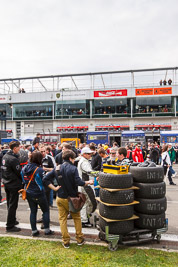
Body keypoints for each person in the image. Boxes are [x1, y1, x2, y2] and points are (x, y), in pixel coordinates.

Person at [44, 150, 93, 248]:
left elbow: (45, 179)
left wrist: (54, 188)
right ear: (71, 158)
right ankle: (79, 239)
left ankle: (66, 241)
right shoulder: (73, 168)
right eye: (74, 159)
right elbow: (78, 182)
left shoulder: (57, 168)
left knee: (62, 219)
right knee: (77, 218)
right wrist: (88, 182)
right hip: (72, 198)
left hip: (60, 197)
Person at [21, 151, 58, 236]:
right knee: (45, 210)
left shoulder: (24, 168)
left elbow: (23, 180)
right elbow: (44, 181)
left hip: (28, 192)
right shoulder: (39, 170)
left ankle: (34, 231)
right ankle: (47, 230)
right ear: (39, 159)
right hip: (39, 193)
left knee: (33, 211)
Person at [2, 141, 22, 232]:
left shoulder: (5, 156)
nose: (20, 149)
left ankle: (12, 220)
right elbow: (19, 172)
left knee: (10, 204)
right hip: (13, 184)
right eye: (19, 147)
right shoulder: (13, 159)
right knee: (13, 204)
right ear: (15, 148)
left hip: (7, 183)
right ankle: (10, 225)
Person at [78, 147, 98, 227]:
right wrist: (100, 173)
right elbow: (90, 172)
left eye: (91, 153)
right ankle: (85, 219)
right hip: (86, 186)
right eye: (89, 154)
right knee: (91, 203)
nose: (91, 155)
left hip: (84, 184)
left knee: (85, 203)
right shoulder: (84, 162)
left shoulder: (83, 160)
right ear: (84, 154)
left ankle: (85, 219)